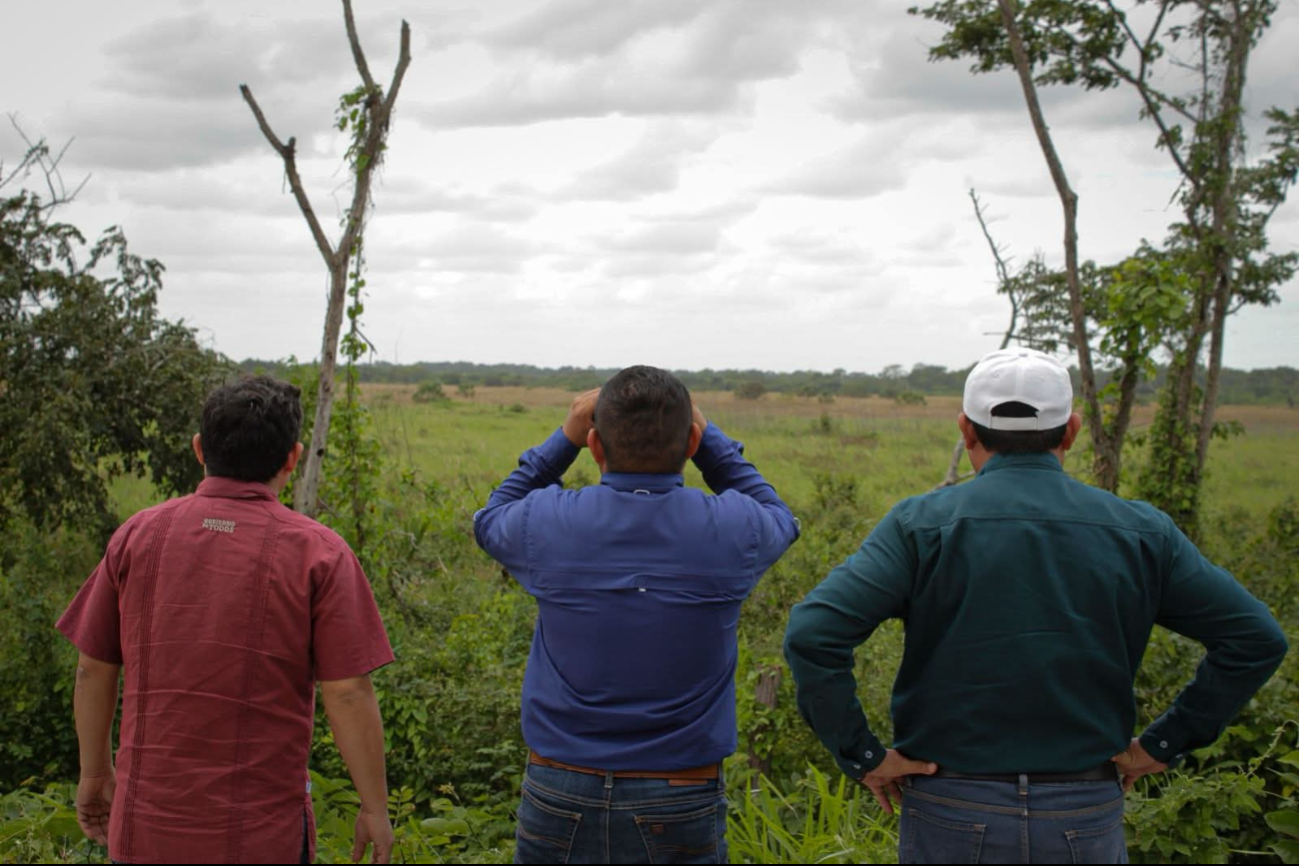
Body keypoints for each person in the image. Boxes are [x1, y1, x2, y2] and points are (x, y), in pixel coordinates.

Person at [783, 348, 1288, 864]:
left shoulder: (920, 525)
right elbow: (1255, 638)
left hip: (951, 805)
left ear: (966, 429)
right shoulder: (1139, 531)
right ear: (1070, 432)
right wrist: (1162, 744)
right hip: (1083, 810)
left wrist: (865, 756)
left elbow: (813, 633)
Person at [57, 376, 396, 865]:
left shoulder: (137, 536)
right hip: (263, 838)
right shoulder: (319, 553)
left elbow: (93, 668)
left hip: (144, 830)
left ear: (199, 449)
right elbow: (347, 691)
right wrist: (374, 807)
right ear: (293, 458)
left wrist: (94, 774)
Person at [474, 365, 800, 865]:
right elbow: (780, 516)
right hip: (681, 788)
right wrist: (710, 440)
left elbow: (491, 516)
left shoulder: (548, 521)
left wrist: (564, 439)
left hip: (560, 782)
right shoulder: (734, 529)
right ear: (691, 443)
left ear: (595, 446)